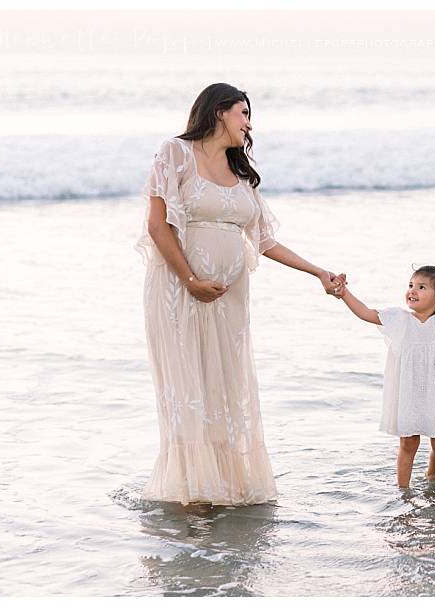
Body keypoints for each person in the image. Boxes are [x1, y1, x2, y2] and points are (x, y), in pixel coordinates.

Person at [135, 83, 346, 506]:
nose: (248, 123)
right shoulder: (174, 153)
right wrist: (191, 279)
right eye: (243, 113)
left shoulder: (241, 173)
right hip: (177, 291)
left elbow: (265, 242)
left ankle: (221, 486)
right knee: (188, 385)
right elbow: (158, 226)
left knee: (224, 385)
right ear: (219, 112)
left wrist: (318, 272)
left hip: (229, 300)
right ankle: (193, 493)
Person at [333, 265, 435, 488]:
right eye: (411, 285)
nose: (412, 291)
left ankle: (431, 474)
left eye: (421, 287)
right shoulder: (398, 319)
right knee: (408, 442)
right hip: (409, 393)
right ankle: (403, 489)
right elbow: (366, 313)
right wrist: (345, 293)